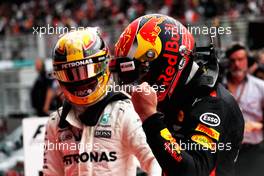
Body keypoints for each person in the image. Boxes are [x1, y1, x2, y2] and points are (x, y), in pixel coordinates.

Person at [110, 14, 244, 176]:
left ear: (168, 63)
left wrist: (150, 118)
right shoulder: (178, 93)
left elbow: (192, 171)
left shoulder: (213, 104)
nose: (139, 86)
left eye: (143, 75)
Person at [43, 28, 161, 176]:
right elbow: (52, 173)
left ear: (104, 66)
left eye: (87, 70)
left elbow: (155, 160)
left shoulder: (123, 112)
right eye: (72, 73)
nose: (81, 79)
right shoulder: (56, 121)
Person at [223, 44, 264, 176]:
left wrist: (259, 125)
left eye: (241, 59)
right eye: (233, 60)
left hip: (252, 151)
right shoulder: (218, 86)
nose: (237, 64)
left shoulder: (260, 87)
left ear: (247, 60)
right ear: (227, 62)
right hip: (224, 151)